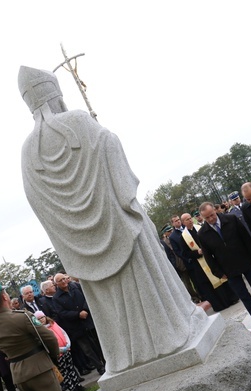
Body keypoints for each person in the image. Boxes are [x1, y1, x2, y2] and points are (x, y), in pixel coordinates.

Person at [19, 66, 208, 375]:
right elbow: (108, 145)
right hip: (118, 224)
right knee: (145, 283)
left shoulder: (28, 150)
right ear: (55, 93)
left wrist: (70, 229)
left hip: (81, 245)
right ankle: (171, 333)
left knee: (115, 302)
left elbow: (34, 196)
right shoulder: (78, 120)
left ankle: (127, 356)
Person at [197, 201, 251, 316]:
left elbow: (246, 239)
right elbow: (208, 256)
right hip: (228, 269)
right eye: (206, 217)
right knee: (244, 296)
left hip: (245, 261)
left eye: (212, 215)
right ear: (202, 217)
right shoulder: (202, 234)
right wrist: (219, 273)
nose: (210, 219)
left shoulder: (231, 219)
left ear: (215, 210)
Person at [34, 310, 86, 391]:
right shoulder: (41, 331)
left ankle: (78, 385)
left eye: (42, 317)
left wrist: (68, 344)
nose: (41, 320)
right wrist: (59, 349)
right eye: (38, 319)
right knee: (64, 371)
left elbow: (63, 333)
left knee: (71, 368)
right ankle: (73, 389)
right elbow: (47, 344)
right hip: (58, 353)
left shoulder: (53, 323)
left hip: (66, 349)